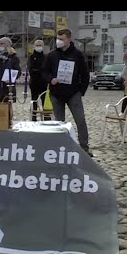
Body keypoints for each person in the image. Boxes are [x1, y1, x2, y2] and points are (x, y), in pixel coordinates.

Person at [43, 28, 93, 157]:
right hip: (56, 94)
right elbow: (44, 72)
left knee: (80, 120)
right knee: (59, 123)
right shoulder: (52, 54)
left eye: (62, 39)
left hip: (73, 93)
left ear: (69, 39)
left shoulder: (77, 54)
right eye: (57, 38)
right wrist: (50, 79)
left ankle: (84, 148)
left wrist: (81, 91)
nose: (59, 41)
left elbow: (85, 74)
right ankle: (61, 147)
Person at [0, 37, 21, 102]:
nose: (0, 45)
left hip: (8, 86)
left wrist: (11, 77)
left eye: (2, 44)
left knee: (7, 107)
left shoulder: (13, 57)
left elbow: (18, 71)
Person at [28, 40, 48, 121]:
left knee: (45, 100)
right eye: (37, 45)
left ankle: (46, 116)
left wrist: (39, 71)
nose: (38, 46)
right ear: (34, 46)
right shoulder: (31, 57)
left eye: (40, 45)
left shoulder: (46, 57)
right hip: (34, 82)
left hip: (44, 83)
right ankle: (34, 116)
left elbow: (46, 69)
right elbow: (31, 69)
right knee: (34, 100)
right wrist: (40, 71)